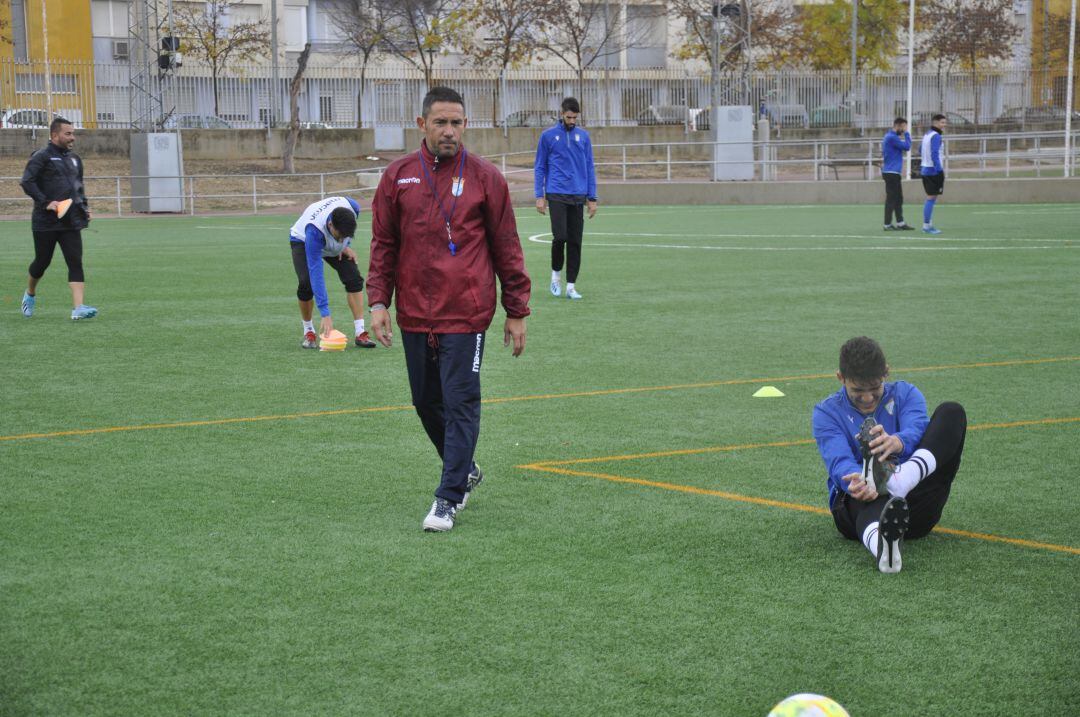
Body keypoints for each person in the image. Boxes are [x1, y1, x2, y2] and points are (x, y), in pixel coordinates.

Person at [367, 86, 532, 532]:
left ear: (466, 125)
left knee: (461, 402)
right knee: (425, 401)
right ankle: (465, 469)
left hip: (466, 312)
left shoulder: (486, 177)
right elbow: (384, 243)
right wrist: (379, 300)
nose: (449, 131)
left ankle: (448, 497)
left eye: (456, 122)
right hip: (414, 312)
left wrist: (516, 308)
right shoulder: (398, 176)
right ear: (422, 124)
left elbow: (507, 246)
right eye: (440, 122)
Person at [812, 336, 967, 573]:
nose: (867, 398)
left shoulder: (906, 393)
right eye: (857, 390)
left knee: (952, 412)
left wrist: (898, 442)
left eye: (875, 388)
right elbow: (839, 461)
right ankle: (882, 547)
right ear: (840, 378)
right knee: (866, 489)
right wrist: (858, 481)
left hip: (915, 506)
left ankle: (902, 479)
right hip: (860, 509)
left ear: (886, 372)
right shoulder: (827, 412)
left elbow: (918, 428)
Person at [19, 117, 97, 320]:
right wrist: (46, 202)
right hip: (45, 222)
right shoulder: (41, 156)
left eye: (73, 133)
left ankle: (78, 308)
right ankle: (30, 293)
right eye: (68, 133)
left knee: (75, 262)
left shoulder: (75, 159)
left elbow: (78, 187)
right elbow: (27, 182)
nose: (73, 137)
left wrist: (84, 207)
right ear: (55, 135)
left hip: (70, 221)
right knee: (42, 262)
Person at [289, 196, 376, 349]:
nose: (342, 240)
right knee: (306, 283)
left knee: (354, 279)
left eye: (345, 237)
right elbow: (316, 273)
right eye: (340, 236)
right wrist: (325, 313)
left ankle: (360, 332)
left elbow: (344, 234)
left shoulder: (353, 208)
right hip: (302, 241)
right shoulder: (314, 232)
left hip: (329, 241)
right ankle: (309, 331)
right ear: (330, 225)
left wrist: (345, 246)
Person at [534, 96, 597, 300]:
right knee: (560, 237)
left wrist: (592, 197)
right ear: (561, 114)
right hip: (556, 193)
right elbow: (540, 166)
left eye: (575, 118)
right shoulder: (548, 136)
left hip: (578, 195)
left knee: (575, 241)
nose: (572, 121)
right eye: (569, 117)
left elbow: (589, 167)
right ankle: (555, 275)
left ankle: (571, 286)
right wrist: (539, 195)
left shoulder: (584, 137)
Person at [881, 117, 914, 231]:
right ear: (898, 126)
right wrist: (907, 134)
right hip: (891, 172)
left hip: (893, 172)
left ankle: (900, 222)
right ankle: (887, 224)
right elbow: (907, 146)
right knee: (891, 198)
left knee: (898, 198)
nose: (904, 129)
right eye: (904, 127)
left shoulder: (891, 137)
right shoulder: (892, 137)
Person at [919, 114, 947, 235]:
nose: (944, 125)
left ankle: (928, 224)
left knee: (931, 198)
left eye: (945, 122)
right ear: (935, 123)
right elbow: (934, 153)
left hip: (925, 168)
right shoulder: (936, 136)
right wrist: (939, 170)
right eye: (942, 122)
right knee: (931, 198)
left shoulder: (927, 134)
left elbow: (920, 149)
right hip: (933, 171)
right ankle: (926, 226)